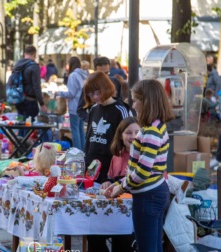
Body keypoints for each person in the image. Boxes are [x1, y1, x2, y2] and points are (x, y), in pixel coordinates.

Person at [105, 79, 174, 252]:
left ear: (147, 102)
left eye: (136, 100)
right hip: (155, 192)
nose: (133, 105)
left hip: (148, 195)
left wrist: (121, 187)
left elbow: (142, 172)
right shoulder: (157, 126)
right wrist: (120, 184)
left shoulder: (150, 132)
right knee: (154, 246)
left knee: (147, 248)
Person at [83, 71, 133, 252]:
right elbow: (89, 141)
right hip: (92, 177)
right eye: (90, 94)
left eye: (96, 93)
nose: (94, 97)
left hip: (114, 179)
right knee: (93, 231)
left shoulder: (121, 110)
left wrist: (111, 179)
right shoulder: (94, 110)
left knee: (118, 230)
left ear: (106, 89)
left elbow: (126, 147)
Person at [12, 45, 47, 135]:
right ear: (34, 54)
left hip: (18, 100)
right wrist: (41, 103)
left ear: (24, 54)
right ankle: (25, 146)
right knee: (28, 124)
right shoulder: (34, 66)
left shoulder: (17, 65)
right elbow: (36, 86)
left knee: (20, 123)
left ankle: (19, 144)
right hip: (29, 101)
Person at [55, 57, 88, 150]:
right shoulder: (84, 75)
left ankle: (77, 150)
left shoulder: (73, 75)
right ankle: (83, 151)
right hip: (83, 105)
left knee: (75, 130)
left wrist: (59, 93)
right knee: (81, 129)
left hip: (75, 106)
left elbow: (71, 93)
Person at [77, 56, 123, 122]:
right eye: (101, 74)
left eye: (107, 73)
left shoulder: (115, 82)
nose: (104, 77)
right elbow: (80, 110)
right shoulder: (89, 85)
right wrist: (93, 120)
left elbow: (120, 102)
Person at [100, 117, 140, 189]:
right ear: (121, 135)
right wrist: (107, 182)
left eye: (137, 132)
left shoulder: (144, 157)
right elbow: (111, 180)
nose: (133, 136)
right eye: (128, 133)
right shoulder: (117, 156)